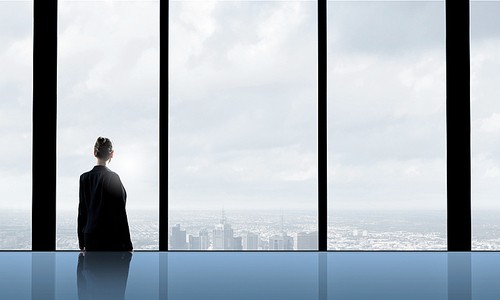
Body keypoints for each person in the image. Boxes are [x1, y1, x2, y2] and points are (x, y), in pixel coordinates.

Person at [78, 137, 133, 251]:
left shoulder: (84, 178)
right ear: (111, 154)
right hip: (110, 239)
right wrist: (128, 245)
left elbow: (82, 211)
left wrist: (81, 240)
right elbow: (120, 215)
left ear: (94, 153)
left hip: (89, 238)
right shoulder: (112, 177)